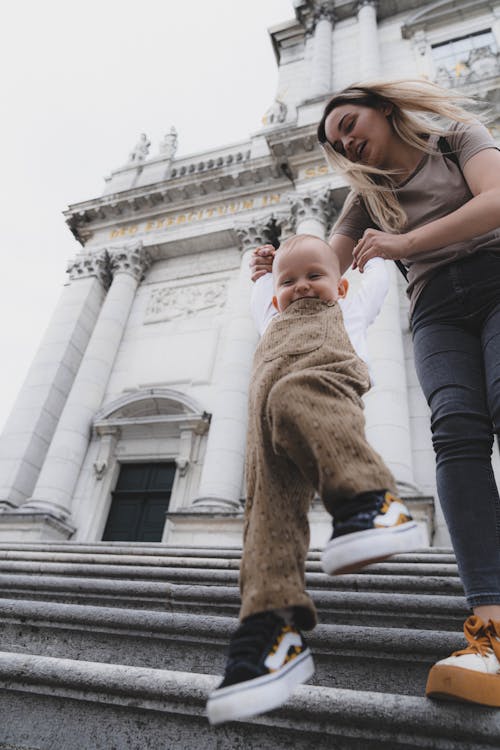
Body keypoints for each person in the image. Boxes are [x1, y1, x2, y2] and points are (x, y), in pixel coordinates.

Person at [316, 78, 500, 707]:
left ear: (385, 109)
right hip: (437, 309)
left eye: (348, 124)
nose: (346, 141)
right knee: (455, 434)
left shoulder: (457, 138)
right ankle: (491, 630)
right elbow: (330, 264)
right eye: (336, 141)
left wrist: (406, 242)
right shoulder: (364, 196)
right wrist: (286, 267)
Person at [206, 233, 421, 725]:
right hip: (268, 424)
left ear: (341, 285)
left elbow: (377, 275)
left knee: (293, 392)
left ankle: (373, 499)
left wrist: (376, 250)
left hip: (324, 393)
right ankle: (269, 630)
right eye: (291, 281)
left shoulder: (354, 304)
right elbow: (260, 285)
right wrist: (261, 266)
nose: (301, 287)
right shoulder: (270, 313)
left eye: (316, 276)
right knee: (265, 514)